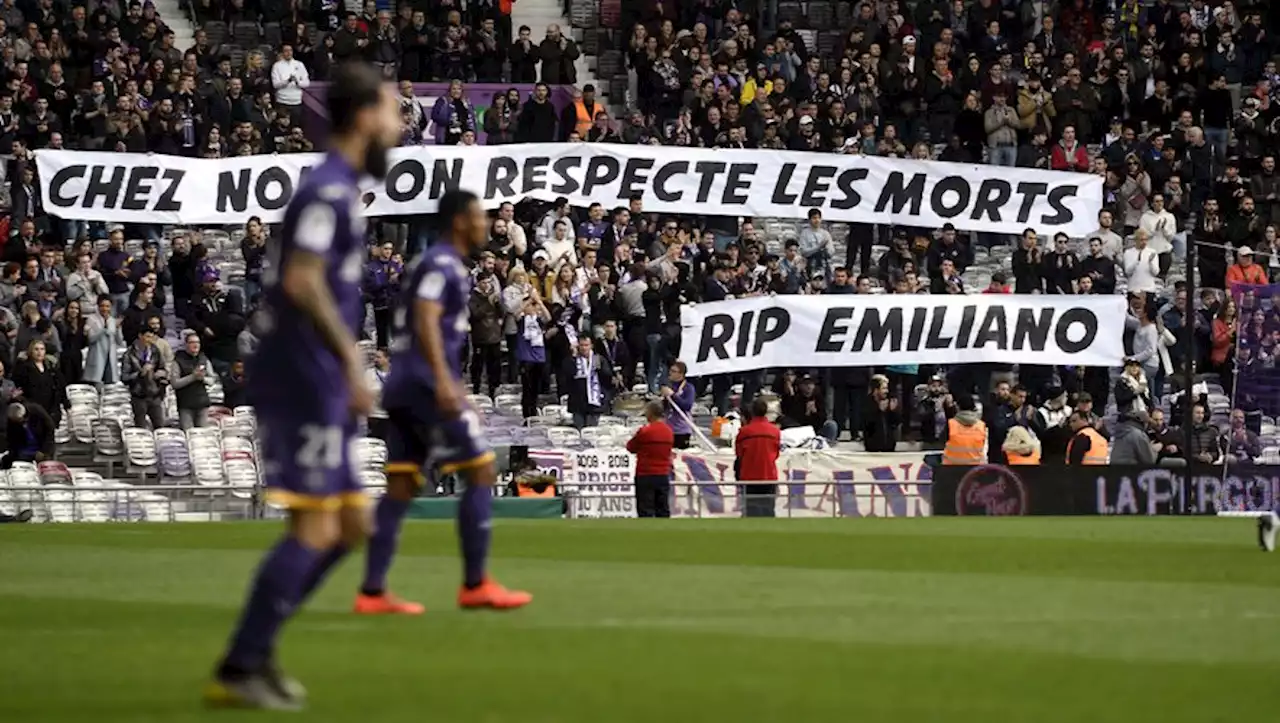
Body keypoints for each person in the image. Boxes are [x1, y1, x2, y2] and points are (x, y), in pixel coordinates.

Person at [206, 63, 398, 711]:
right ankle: (241, 662)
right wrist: (350, 361)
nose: (399, 130)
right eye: (395, 115)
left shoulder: (341, 189)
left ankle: (252, 654)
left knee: (350, 524)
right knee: (319, 527)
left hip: (318, 370)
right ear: (365, 116)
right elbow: (302, 281)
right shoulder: (328, 190)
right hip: (305, 373)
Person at [369, 188, 532, 620]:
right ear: (461, 221)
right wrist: (448, 384)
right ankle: (476, 583)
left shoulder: (436, 264)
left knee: (401, 486)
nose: (486, 222)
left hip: (404, 387)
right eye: (480, 215)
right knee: (481, 469)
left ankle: (372, 589)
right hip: (423, 385)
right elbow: (425, 315)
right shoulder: (443, 264)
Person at [626, 401, 674, 518]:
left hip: (645, 474)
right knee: (662, 509)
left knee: (645, 509)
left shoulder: (645, 431)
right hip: (663, 474)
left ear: (651, 413)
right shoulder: (669, 431)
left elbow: (630, 447)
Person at [736, 397, 781, 518]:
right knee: (768, 511)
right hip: (769, 475)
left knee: (751, 512)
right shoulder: (775, 431)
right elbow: (776, 454)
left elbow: (739, 454)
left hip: (749, 477)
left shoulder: (744, 432)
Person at [2, 402, 55, 469]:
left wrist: (44, 450)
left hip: (41, 447)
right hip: (24, 450)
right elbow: (11, 438)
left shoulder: (37, 411)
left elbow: (50, 430)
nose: (18, 423)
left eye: (19, 420)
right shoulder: (12, 420)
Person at [941, 393, 987, 465]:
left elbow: (942, 441)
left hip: (951, 468)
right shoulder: (981, 425)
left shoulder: (950, 424)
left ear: (958, 407)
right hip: (975, 468)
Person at [660, 360, 696, 449]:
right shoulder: (670, 386)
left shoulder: (688, 388)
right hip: (668, 428)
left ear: (681, 374)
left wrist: (672, 395)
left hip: (682, 430)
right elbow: (665, 408)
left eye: (673, 371)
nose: (670, 373)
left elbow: (687, 406)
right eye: (670, 370)